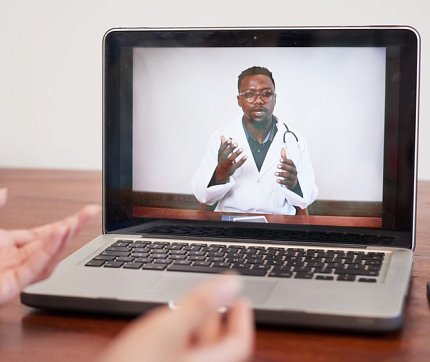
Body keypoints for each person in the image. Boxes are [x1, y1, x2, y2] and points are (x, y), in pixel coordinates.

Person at [0, 188, 254, 362]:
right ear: (239, 103)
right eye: (251, 101)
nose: (258, 103)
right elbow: (204, 194)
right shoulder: (220, 138)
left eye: (265, 101)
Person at [192, 66, 317, 215]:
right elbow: (201, 194)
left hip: (277, 225)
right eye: (250, 94)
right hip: (231, 224)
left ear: (275, 99)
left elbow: (308, 196)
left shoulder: (294, 140)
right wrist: (219, 175)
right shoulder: (222, 137)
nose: (258, 101)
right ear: (239, 100)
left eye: (266, 94)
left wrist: (295, 185)